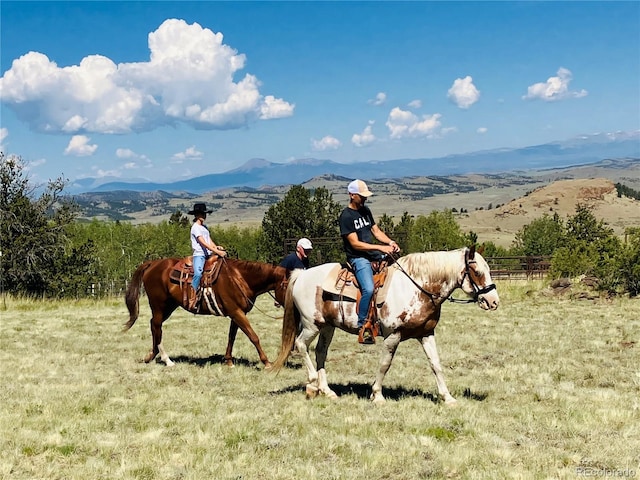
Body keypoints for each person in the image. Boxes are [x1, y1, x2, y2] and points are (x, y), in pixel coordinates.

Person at [339, 179, 400, 344]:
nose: (365, 199)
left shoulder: (366, 211)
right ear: (352, 195)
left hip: (372, 254)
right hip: (358, 258)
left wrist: (390, 243)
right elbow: (355, 244)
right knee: (368, 288)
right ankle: (363, 325)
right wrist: (380, 248)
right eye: (361, 196)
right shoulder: (346, 216)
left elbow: (376, 231)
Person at [188, 203, 227, 310]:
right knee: (198, 273)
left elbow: (209, 241)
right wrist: (216, 251)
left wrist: (216, 247)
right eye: (201, 214)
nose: (204, 216)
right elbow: (203, 243)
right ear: (196, 215)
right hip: (199, 255)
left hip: (208, 254)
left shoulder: (204, 227)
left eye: (204, 214)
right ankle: (192, 298)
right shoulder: (195, 228)